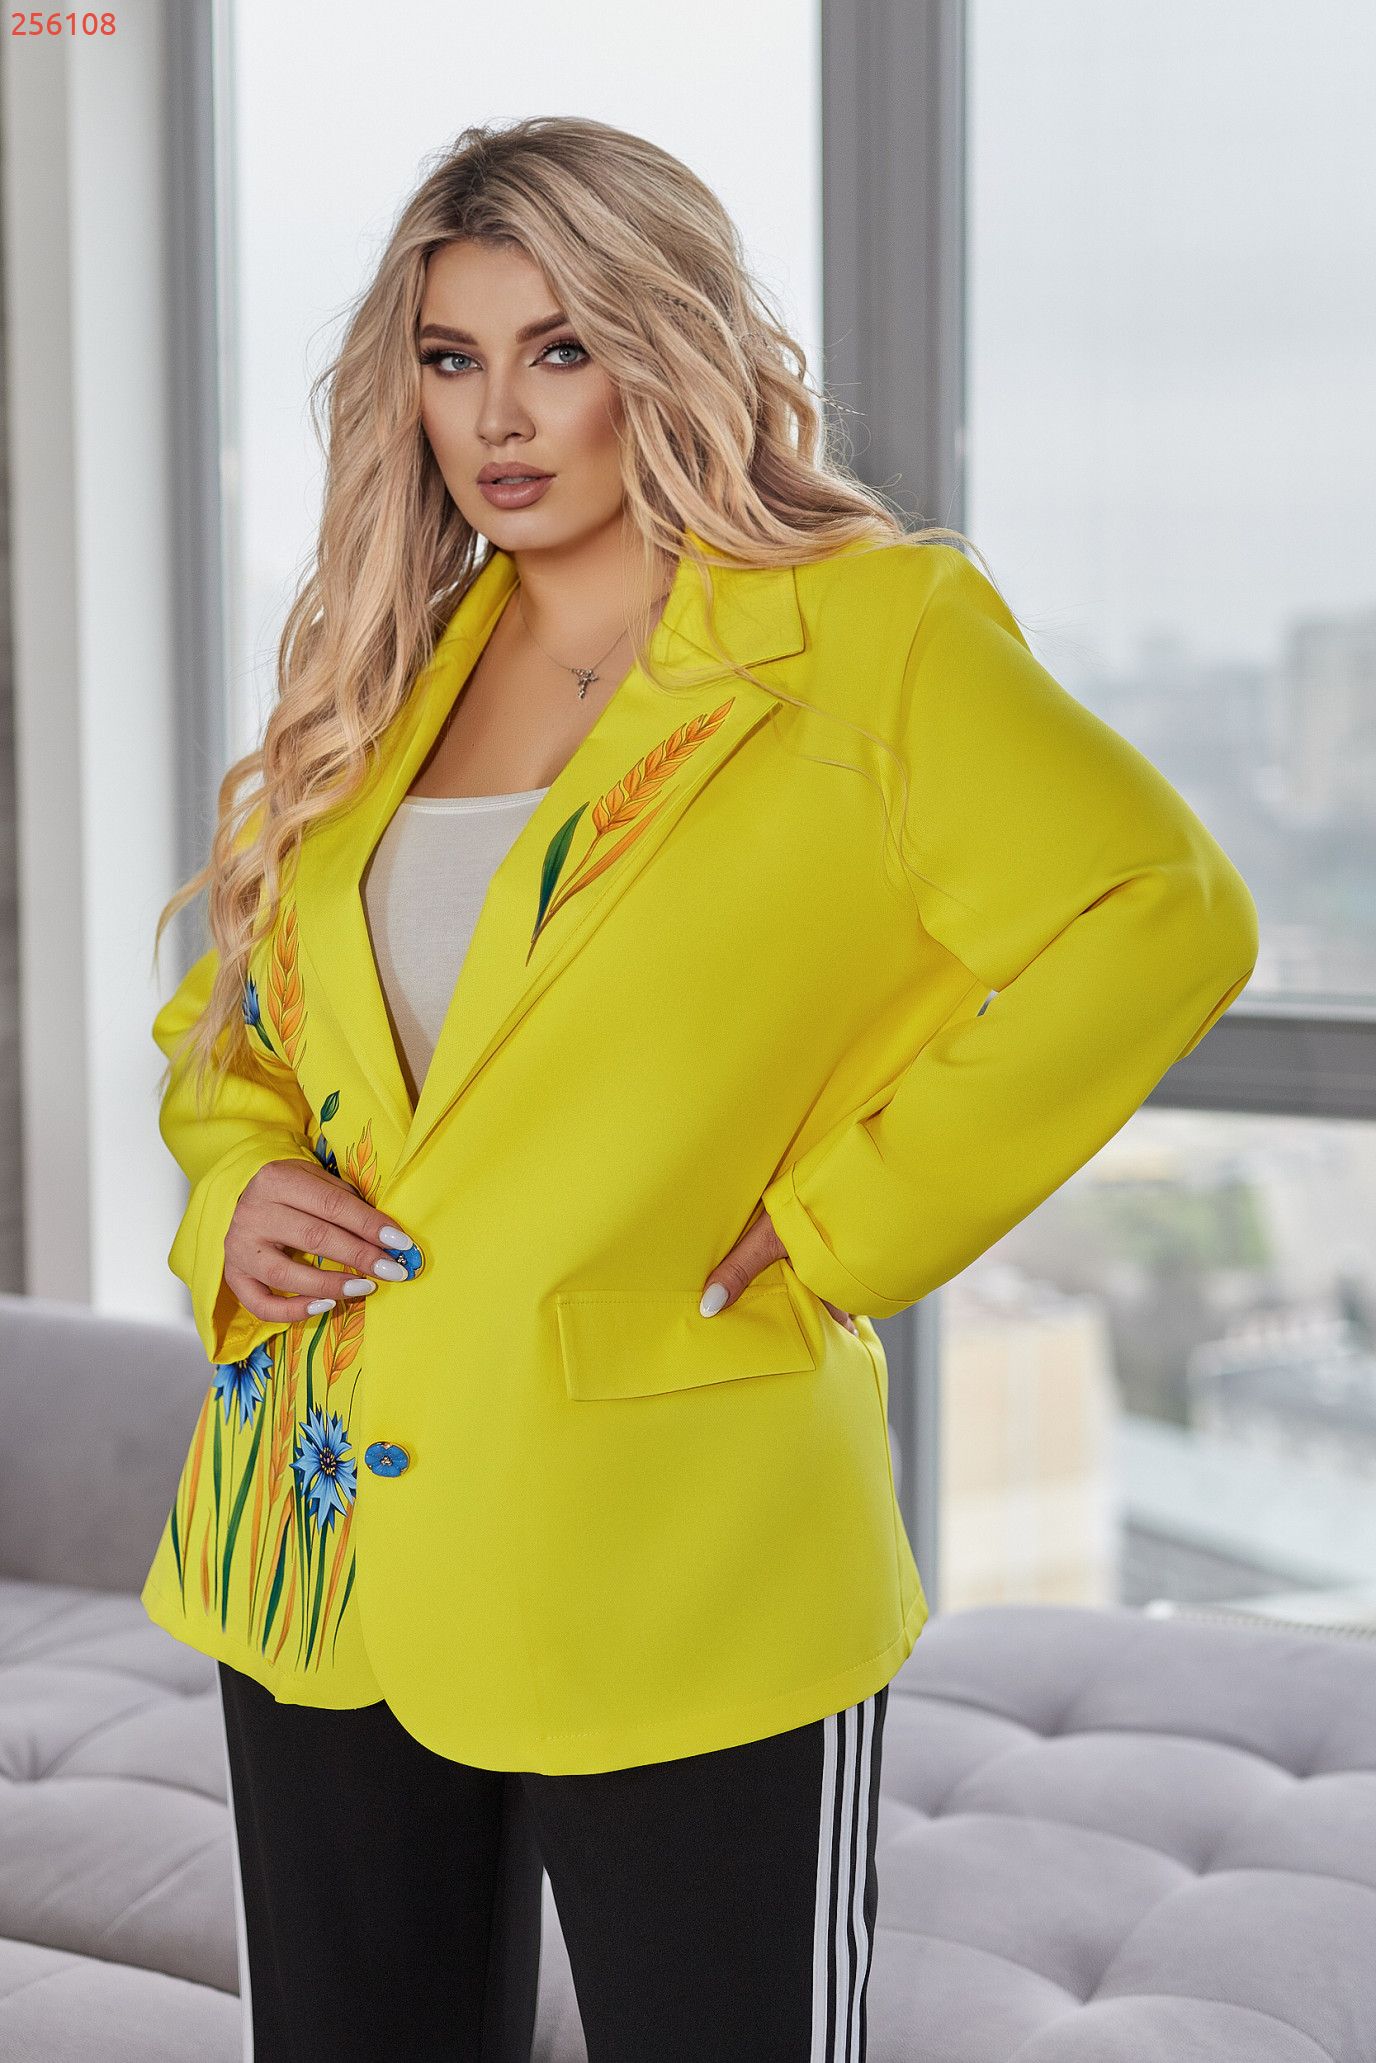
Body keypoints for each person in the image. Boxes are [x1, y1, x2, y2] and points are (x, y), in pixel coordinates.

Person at [141, 115, 1259, 2063]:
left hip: (683, 1556)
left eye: (559, 348)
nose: (500, 415)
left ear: (666, 351)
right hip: (317, 1529)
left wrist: (845, 1223)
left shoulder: (870, 638)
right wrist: (234, 1184)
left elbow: (1162, 918)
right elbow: (237, 1022)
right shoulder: (389, 668)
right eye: (451, 357)